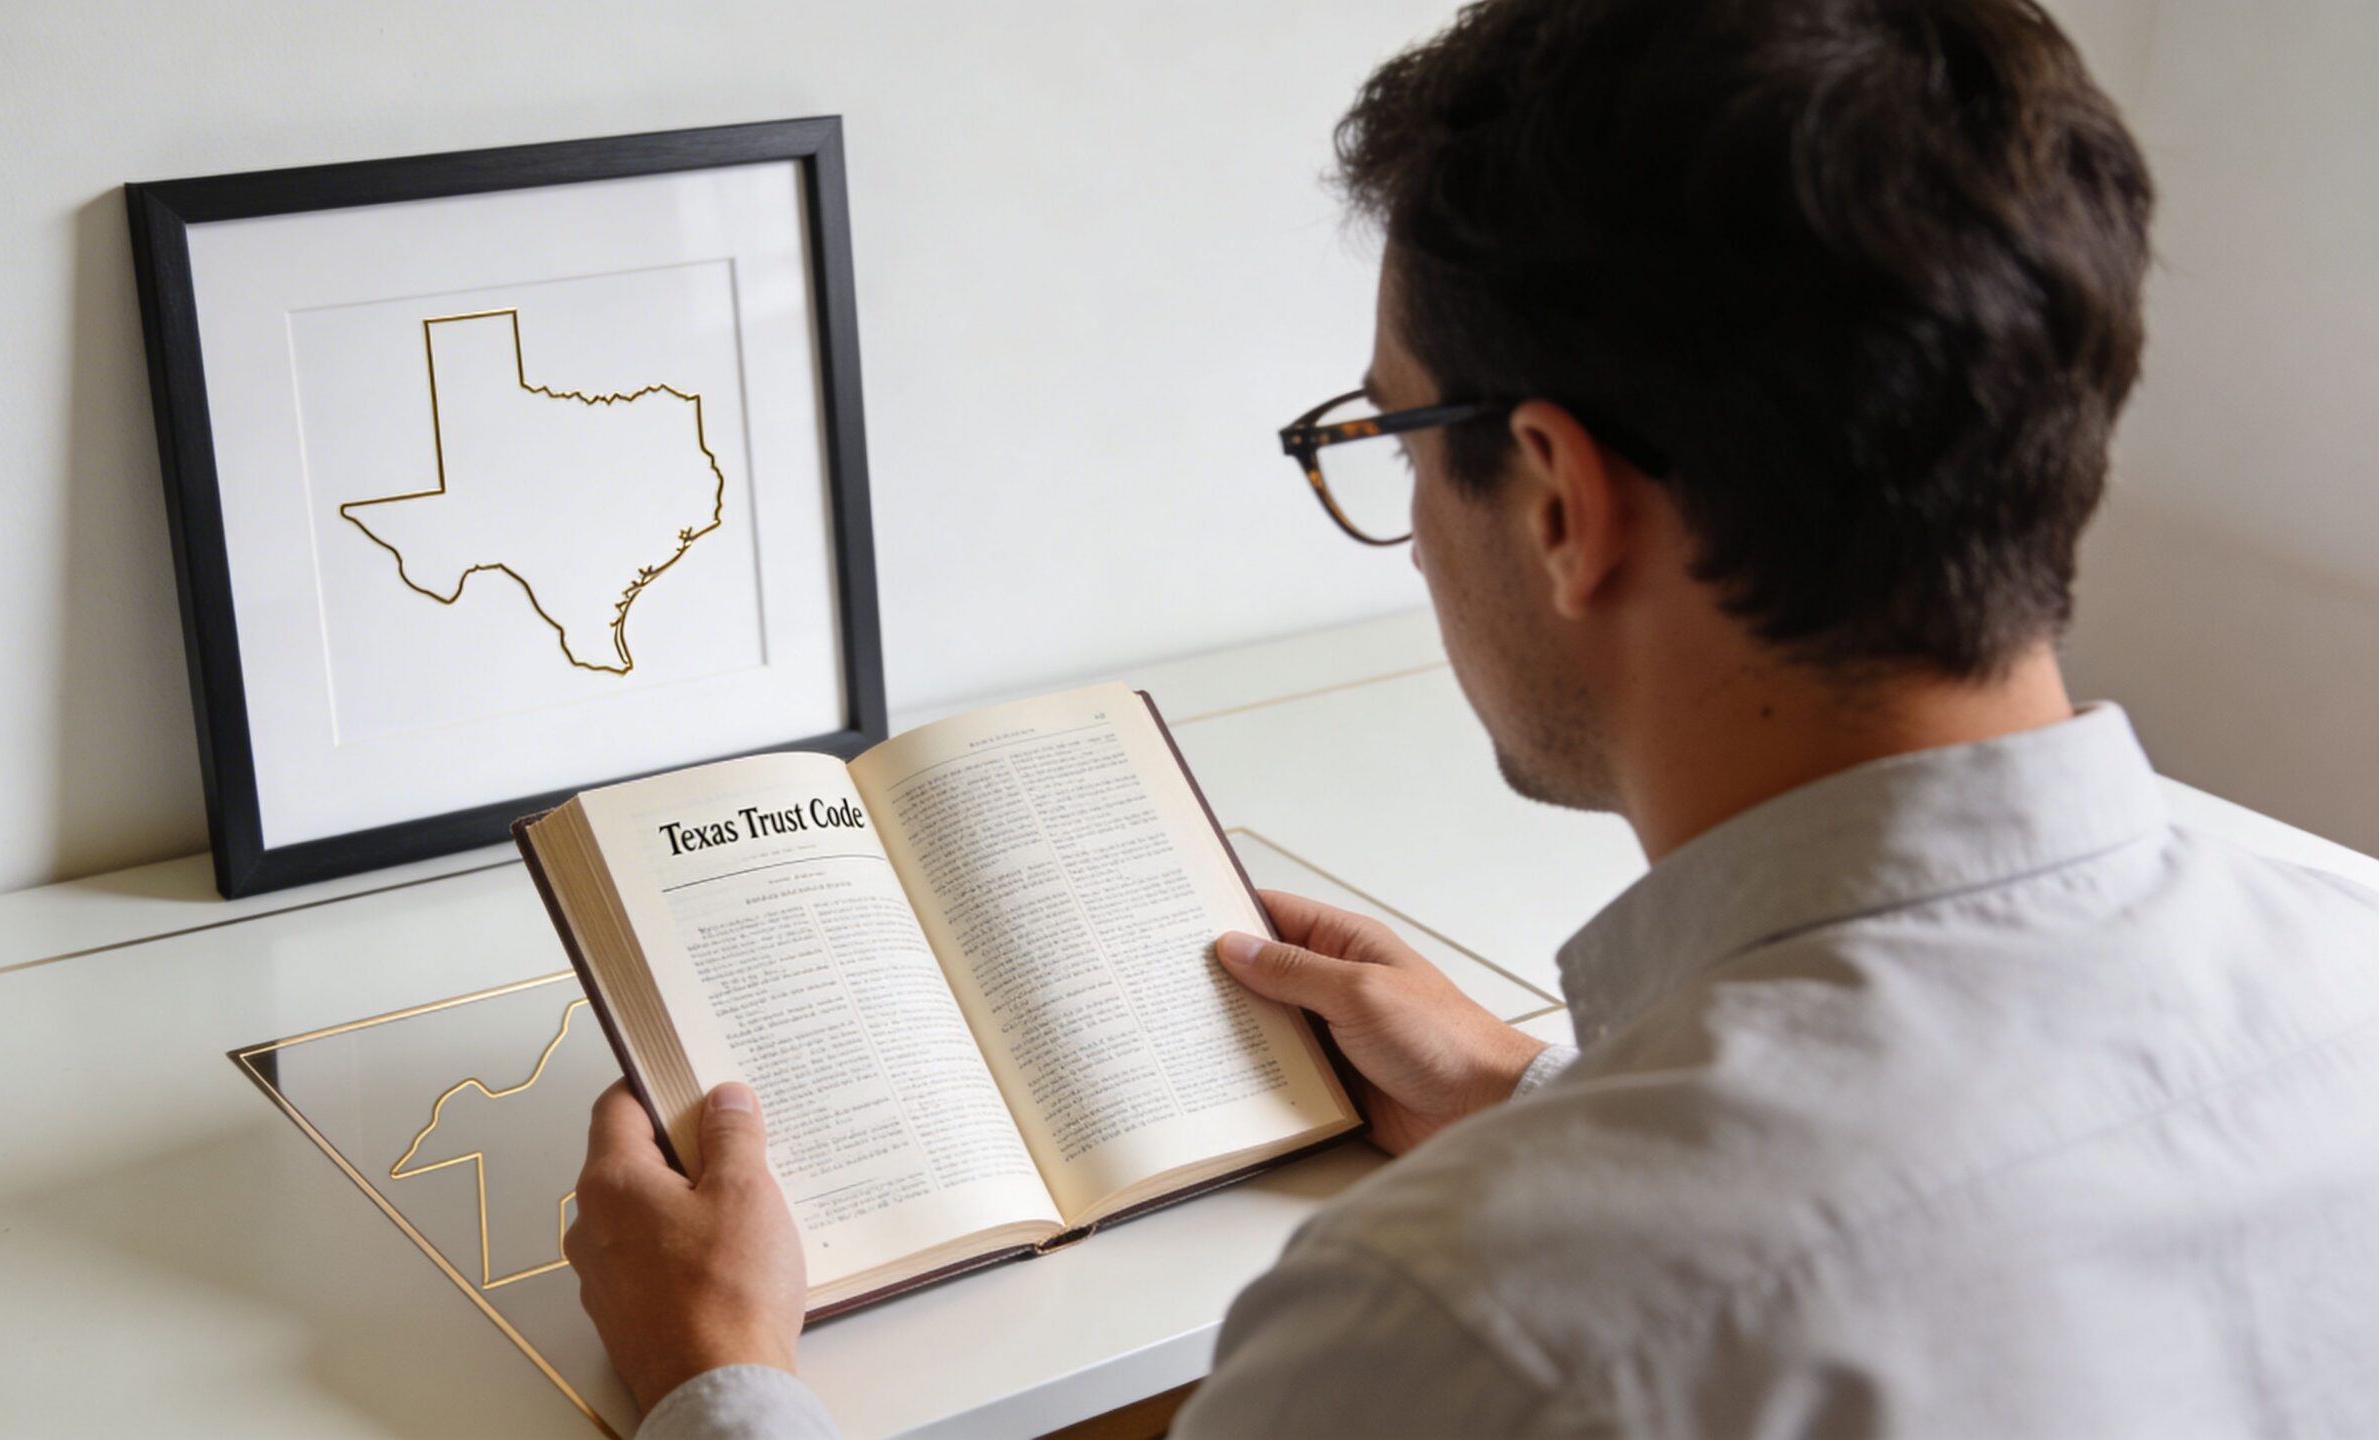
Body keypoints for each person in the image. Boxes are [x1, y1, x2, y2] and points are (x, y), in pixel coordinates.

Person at [564, 0, 2379, 1434]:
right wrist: (1531, 1090)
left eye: (1393, 439)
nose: (1410, 536)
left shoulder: (1473, 1331)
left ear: (1564, 502)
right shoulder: (2349, 960)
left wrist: (722, 1376)